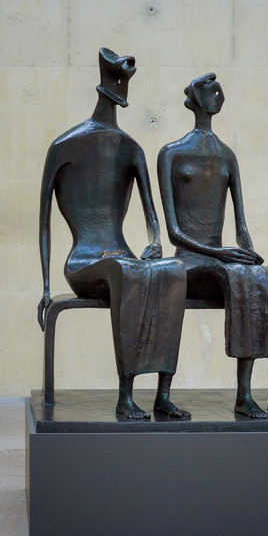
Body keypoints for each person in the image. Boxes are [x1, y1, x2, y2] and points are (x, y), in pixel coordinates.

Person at [38, 48, 190, 420]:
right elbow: (42, 221)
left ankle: (162, 394)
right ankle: (126, 394)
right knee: (124, 270)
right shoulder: (64, 146)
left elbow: (153, 221)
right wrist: (45, 287)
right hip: (86, 263)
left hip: (124, 260)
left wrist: (154, 243)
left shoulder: (132, 149)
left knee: (174, 271)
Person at [157, 72, 268, 418]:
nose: (218, 95)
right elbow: (174, 233)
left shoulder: (227, 155)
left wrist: (249, 253)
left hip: (222, 258)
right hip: (190, 261)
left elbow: (241, 226)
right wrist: (221, 253)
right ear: (196, 100)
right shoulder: (171, 153)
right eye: (211, 91)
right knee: (243, 281)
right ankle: (243, 397)